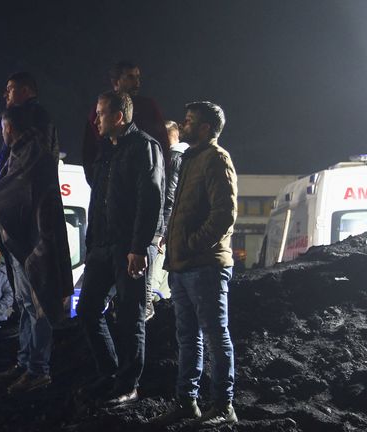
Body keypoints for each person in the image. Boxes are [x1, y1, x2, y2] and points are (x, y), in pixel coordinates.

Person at [76, 91, 164, 407]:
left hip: (130, 247)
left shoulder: (144, 147)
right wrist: (91, 244)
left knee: (130, 315)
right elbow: (97, 200)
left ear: (118, 116)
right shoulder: (106, 152)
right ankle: (110, 372)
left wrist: (139, 247)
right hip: (101, 247)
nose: (95, 119)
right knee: (86, 310)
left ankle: (129, 385)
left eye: (100, 114)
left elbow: (150, 199)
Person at [154, 102, 238, 427]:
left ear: (205, 128)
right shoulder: (191, 160)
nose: (183, 125)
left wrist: (189, 245)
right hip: (182, 267)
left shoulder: (217, 159)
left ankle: (223, 405)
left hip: (204, 266)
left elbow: (224, 215)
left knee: (216, 335)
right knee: (188, 337)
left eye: (189, 121)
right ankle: (187, 402)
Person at [0, 105, 73, 394]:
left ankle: (39, 369)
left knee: (38, 308)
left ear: (9, 127)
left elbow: (19, 195)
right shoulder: (18, 154)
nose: (2, 134)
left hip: (35, 244)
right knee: (25, 305)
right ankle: (25, 362)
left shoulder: (34, 155)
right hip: (22, 246)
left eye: (2, 128)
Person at [81, 61, 169, 185]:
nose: (137, 82)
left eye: (138, 77)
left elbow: (163, 144)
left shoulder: (148, 107)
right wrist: (97, 184)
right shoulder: (100, 109)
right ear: (116, 81)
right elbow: (89, 151)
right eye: (130, 77)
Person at [148, 121, 189, 303]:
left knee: (154, 276)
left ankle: (150, 305)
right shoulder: (190, 156)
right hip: (180, 228)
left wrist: (162, 230)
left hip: (167, 229)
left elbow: (169, 196)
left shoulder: (173, 157)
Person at [0, 71, 59, 177]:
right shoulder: (31, 115)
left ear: (25, 91)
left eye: (9, 90)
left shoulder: (33, 116)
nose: (5, 95)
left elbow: (39, 160)